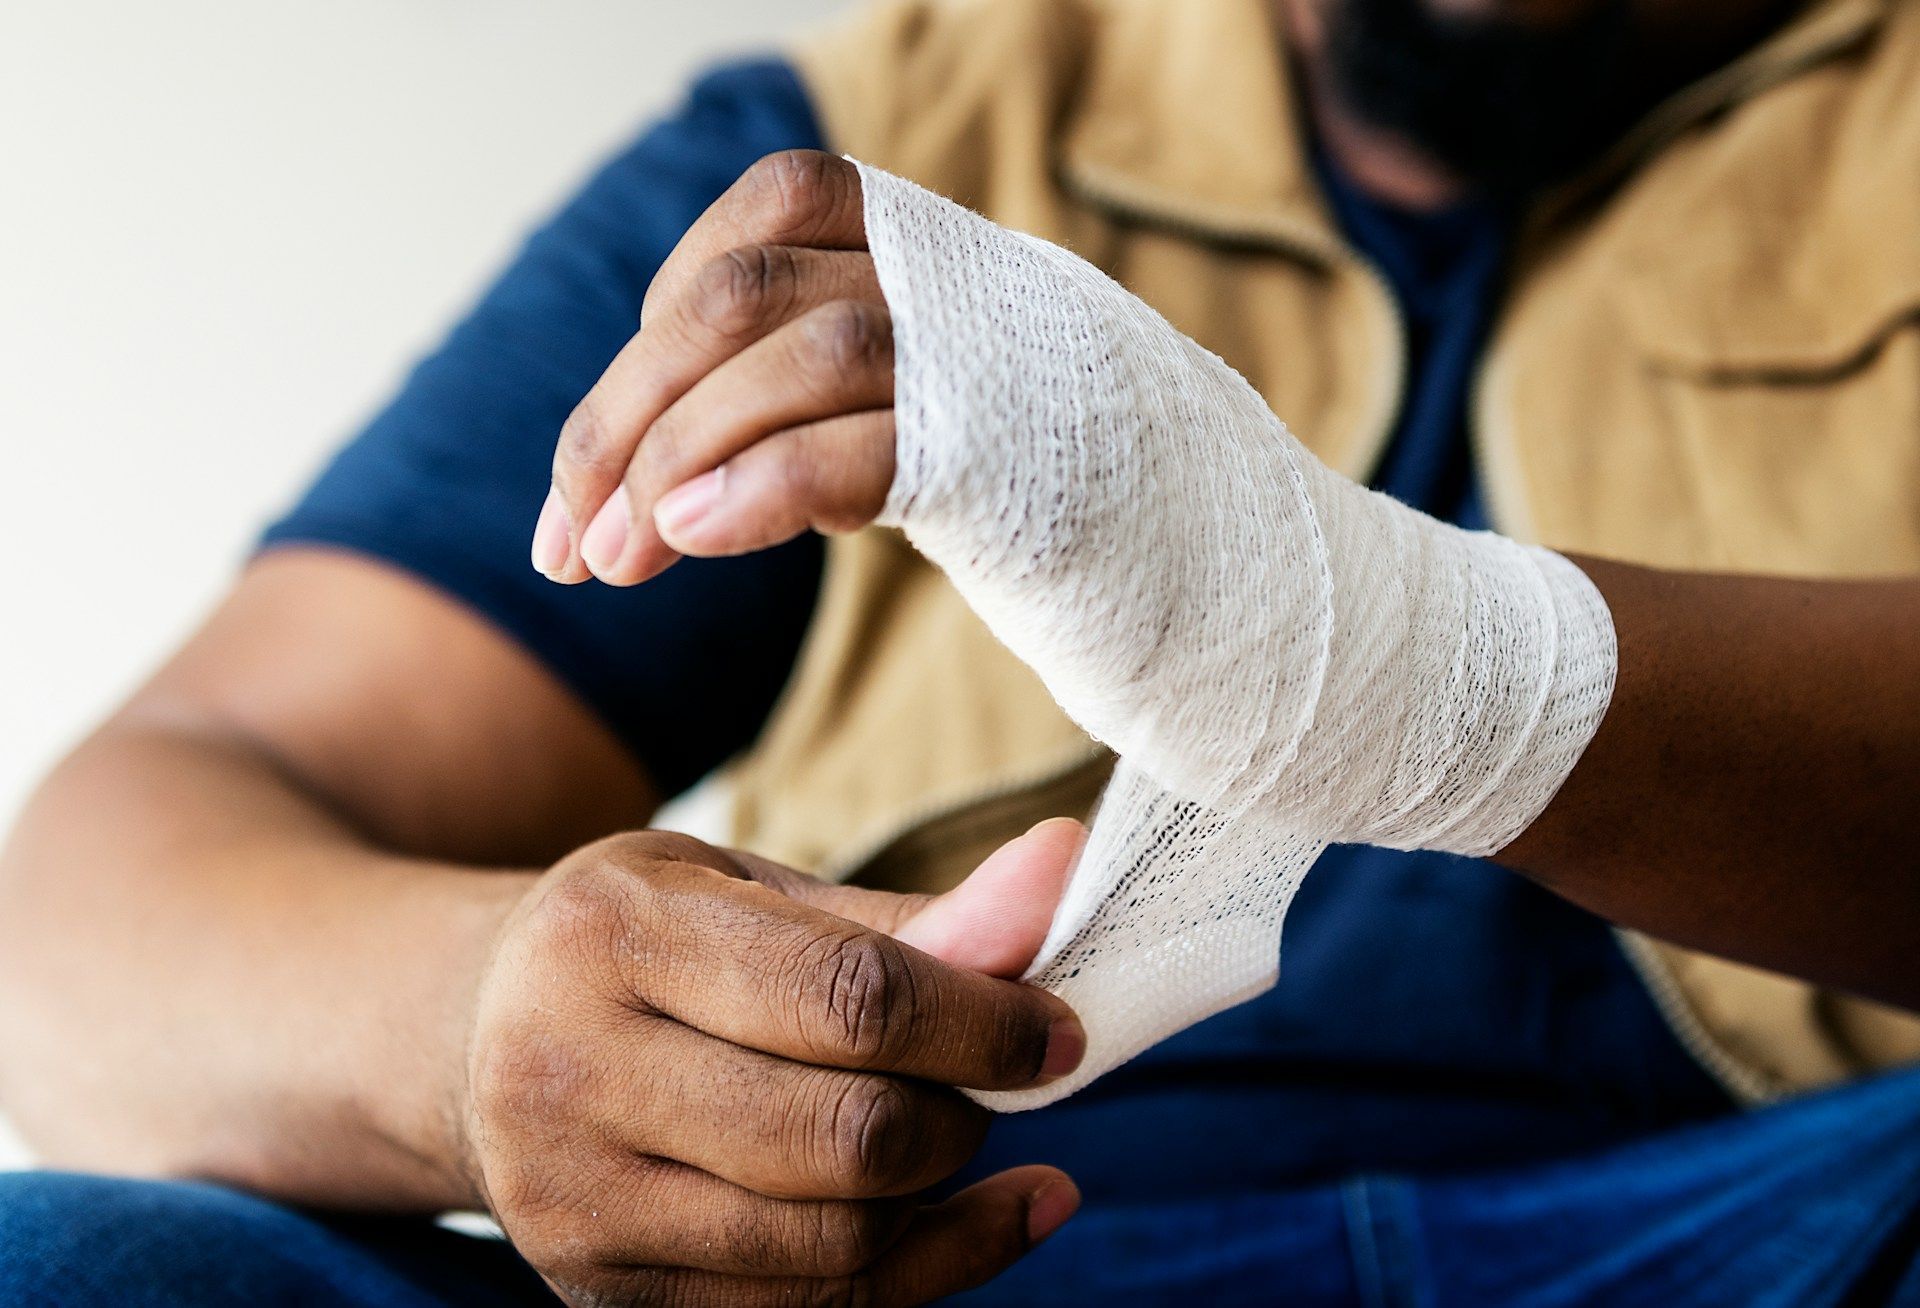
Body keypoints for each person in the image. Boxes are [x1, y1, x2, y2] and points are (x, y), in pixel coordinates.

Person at [3, 0, 1918, 1302]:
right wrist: (479, 1033)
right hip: (945, 1250)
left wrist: (1401, 663)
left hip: (1784, 1222)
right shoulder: (870, 152)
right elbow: (96, 915)